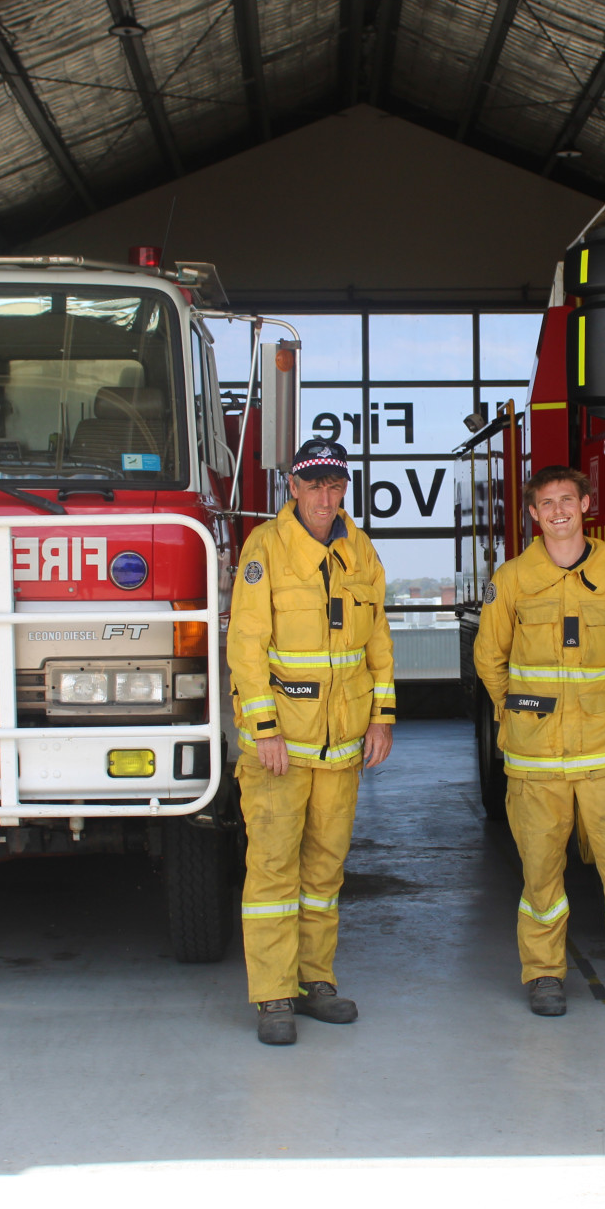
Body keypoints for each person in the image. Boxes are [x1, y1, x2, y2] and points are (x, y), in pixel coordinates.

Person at [471, 465, 605, 1021]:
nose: (557, 510)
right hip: (536, 761)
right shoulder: (510, 580)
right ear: (533, 514)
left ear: (585, 506)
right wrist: (521, 707)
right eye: (546, 503)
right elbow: (490, 657)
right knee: (540, 874)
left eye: (567, 500)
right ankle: (544, 974)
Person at [226, 437, 395, 1045]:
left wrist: (382, 717)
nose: (325, 496)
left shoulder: (360, 549)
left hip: (342, 746)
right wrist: (264, 728)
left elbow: (377, 640)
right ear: (292, 488)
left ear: (344, 489)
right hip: (281, 749)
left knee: (325, 871)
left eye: (335, 485)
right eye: (313, 485)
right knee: (273, 869)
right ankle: (273, 994)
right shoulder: (264, 550)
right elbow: (245, 646)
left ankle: (314, 981)